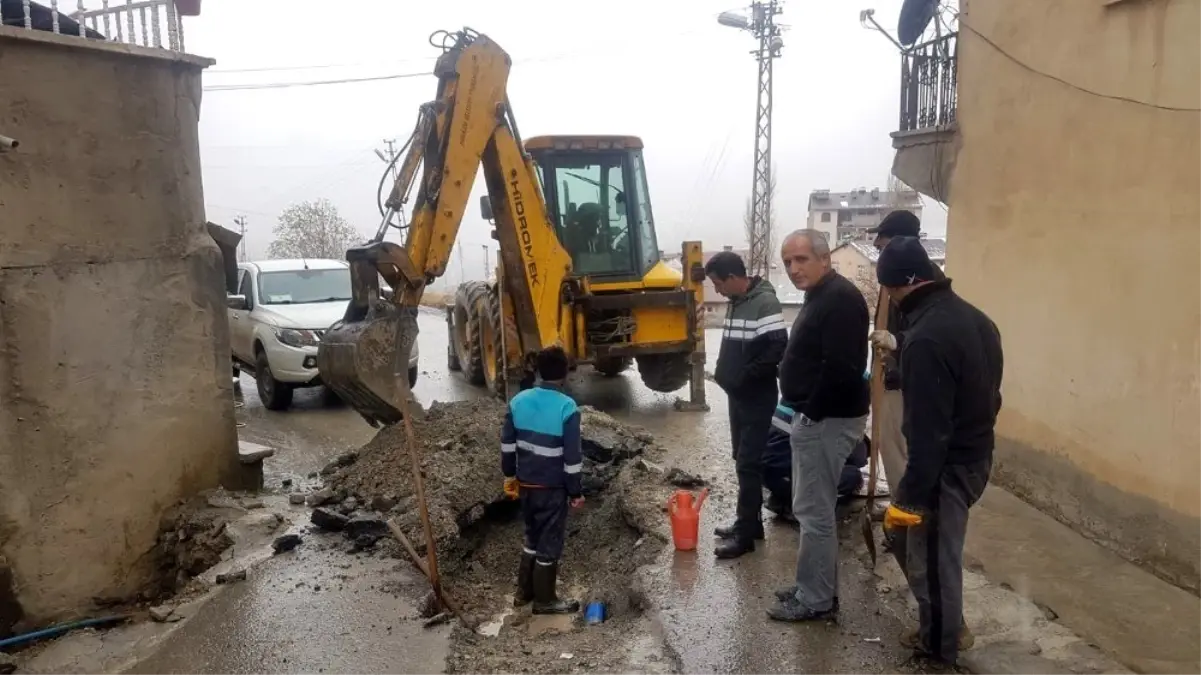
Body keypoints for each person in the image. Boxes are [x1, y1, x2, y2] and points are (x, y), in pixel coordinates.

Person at [874, 237, 1003, 666]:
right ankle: (937, 632)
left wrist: (910, 497)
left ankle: (940, 654)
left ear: (895, 289)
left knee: (931, 562)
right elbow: (990, 394)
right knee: (929, 554)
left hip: (945, 467)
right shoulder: (978, 320)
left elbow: (929, 433)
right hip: (976, 455)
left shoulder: (926, 338)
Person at [768, 230, 870, 622]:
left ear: (824, 259)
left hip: (827, 418)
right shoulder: (822, 295)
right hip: (817, 415)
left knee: (813, 511)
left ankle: (815, 599)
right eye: (788, 261)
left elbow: (841, 368)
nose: (793, 269)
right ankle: (813, 585)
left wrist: (810, 411)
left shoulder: (840, 300)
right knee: (809, 506)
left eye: (801, 260)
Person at [704, 250, 788, 559]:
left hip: (755, 396)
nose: (717, 290)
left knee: (749, 463)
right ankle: (751, 524)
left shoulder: (764, 303)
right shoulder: (737, 302)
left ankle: (745, 537)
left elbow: (777, 347)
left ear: (733, 278)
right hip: (738, 395)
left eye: (718, 283)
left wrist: (744, 377)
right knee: (742, 458)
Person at [501, 346, 587, 615]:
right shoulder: (567, 407)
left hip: (525, 484)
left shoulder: (518, 401)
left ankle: (523, 593)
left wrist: (509, 476)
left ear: (537, 370)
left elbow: (507, 445)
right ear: (564, 375)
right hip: (552, 488)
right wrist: (575, 492)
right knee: (549, 542)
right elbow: (572, 458)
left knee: (531, 536)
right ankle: (545, 601)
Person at [762, 401, 869, 522]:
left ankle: (783, 497)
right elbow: (858, 456)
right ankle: (801, 505)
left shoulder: (797, 391)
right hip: (784, 469)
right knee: (851, 476)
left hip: (766, 472)